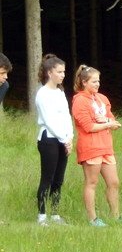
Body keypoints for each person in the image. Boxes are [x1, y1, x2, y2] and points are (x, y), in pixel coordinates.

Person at [71, 65, 122, 227]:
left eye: (98, 81)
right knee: (92, 182)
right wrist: (107, 124)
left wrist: (106, 121)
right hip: (90, 147)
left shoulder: (102, 99)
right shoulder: (79, 100)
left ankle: (116, 216)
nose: (97, 84)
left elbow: (114, 122)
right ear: (84, 82)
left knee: (114, 182)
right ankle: (93, 219)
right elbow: (88, 127)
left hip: (106, 146)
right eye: (94, 81)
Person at [34, 54, 74, 226]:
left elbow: (66, 116)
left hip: (63, 139)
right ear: (49, 73)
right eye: (59, 72)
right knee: (47, 178)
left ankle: (55, 214)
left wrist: (70, 137)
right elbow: (49, 120)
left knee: (59, 179)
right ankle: (42, 216)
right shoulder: (42, 94)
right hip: (48, 139)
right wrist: (63, 139)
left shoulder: (60, 92)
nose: (63, 75)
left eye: (64, 72)